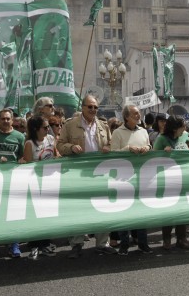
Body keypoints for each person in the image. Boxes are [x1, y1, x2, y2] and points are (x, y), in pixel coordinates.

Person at [57, 95, 115, 258]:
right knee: (78, 209)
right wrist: (71, 147)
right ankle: (76, 244)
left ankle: (102, 243)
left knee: (103, 208)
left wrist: (108, 147)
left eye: (96, 107)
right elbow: (60, 146)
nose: (93, 110)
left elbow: (111, 144)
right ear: (82, 107)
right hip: (78, 174)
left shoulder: (103, 126)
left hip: (100, 174)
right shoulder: (70, 125)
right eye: (90, 107)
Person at [110, 105, 153, 255]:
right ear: (127, 117)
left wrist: (148, 147)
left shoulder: (143, 131)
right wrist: (127, 149)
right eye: (135, 113)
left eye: (138, 113)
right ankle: (124, 244)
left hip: (141, 177)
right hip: (123, 179)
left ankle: (143, 243)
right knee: (124, 212)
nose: (138, 115)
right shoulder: (117, 133)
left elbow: (148, 145)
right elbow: (112, 154)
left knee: (141, 212)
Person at [0, 108, 25, 257]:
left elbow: (23, 156)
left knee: (12, 213)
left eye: (8, 119)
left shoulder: (19, 136)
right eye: (3, 118)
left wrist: (22, 161)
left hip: (13, 181)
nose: (6, 121)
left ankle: (14, 244)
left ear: (12, 120)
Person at [153, 115, 189, 251]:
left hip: (184, 179)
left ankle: (182, 239)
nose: (185, 128)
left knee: (183, 211)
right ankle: (166, 240)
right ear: (175, 128)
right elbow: (152, 160)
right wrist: (163, 154)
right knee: (169, 211)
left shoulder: (183, 136)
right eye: (183, 126)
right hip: (167, 181)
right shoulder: (161, 139)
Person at [21, 116, 58, 260]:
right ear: (36, 129)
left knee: (47, 214)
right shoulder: (30, 144)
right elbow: (28, 165)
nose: (48, 129)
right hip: (36, 184)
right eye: (45, 127)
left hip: (49, 182)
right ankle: (35, 245)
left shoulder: (50, 139)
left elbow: (55, 155)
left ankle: (46, 243)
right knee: (36, 214)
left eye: (48, 126)